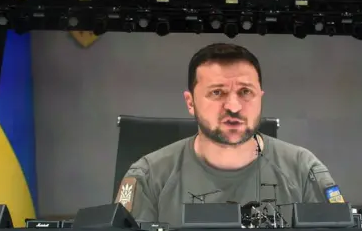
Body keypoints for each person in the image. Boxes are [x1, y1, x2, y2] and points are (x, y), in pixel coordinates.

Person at [115, 43, 343, 227]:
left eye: (245, 92)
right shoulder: (148, 177)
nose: (233, 106)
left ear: (260, 97)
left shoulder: (304, 171)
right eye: (217, 92)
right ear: (190, 102)